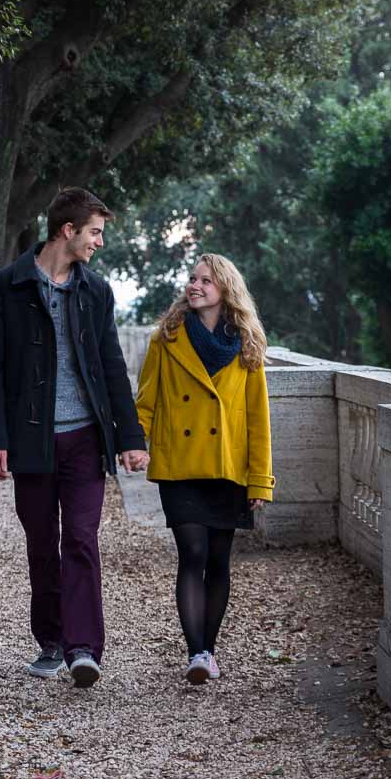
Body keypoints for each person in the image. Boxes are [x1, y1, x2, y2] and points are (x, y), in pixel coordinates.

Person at [0, 187, 148, 688]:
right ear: (67, 231)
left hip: (85, 439)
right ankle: (51, 641)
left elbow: (112, 368)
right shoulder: (5, 286)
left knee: (80, 538)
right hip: (31, 442)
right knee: (40, 544)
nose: (98, 242)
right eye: (94, 232)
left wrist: (129, 437)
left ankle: (83, 649)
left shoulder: (96, 291)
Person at [135, 253, 274, 685]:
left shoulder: (247, 344)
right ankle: (196, 652)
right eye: (192, 279)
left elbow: (258, 420)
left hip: (228, 468)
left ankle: (208, 650)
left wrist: (260, 481)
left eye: (205, 281)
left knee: (219, 560)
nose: (194, 286)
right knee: (191, 553)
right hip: (180, 464)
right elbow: (146, 401)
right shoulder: (166, 338)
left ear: (225, 290)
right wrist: (134, 445)